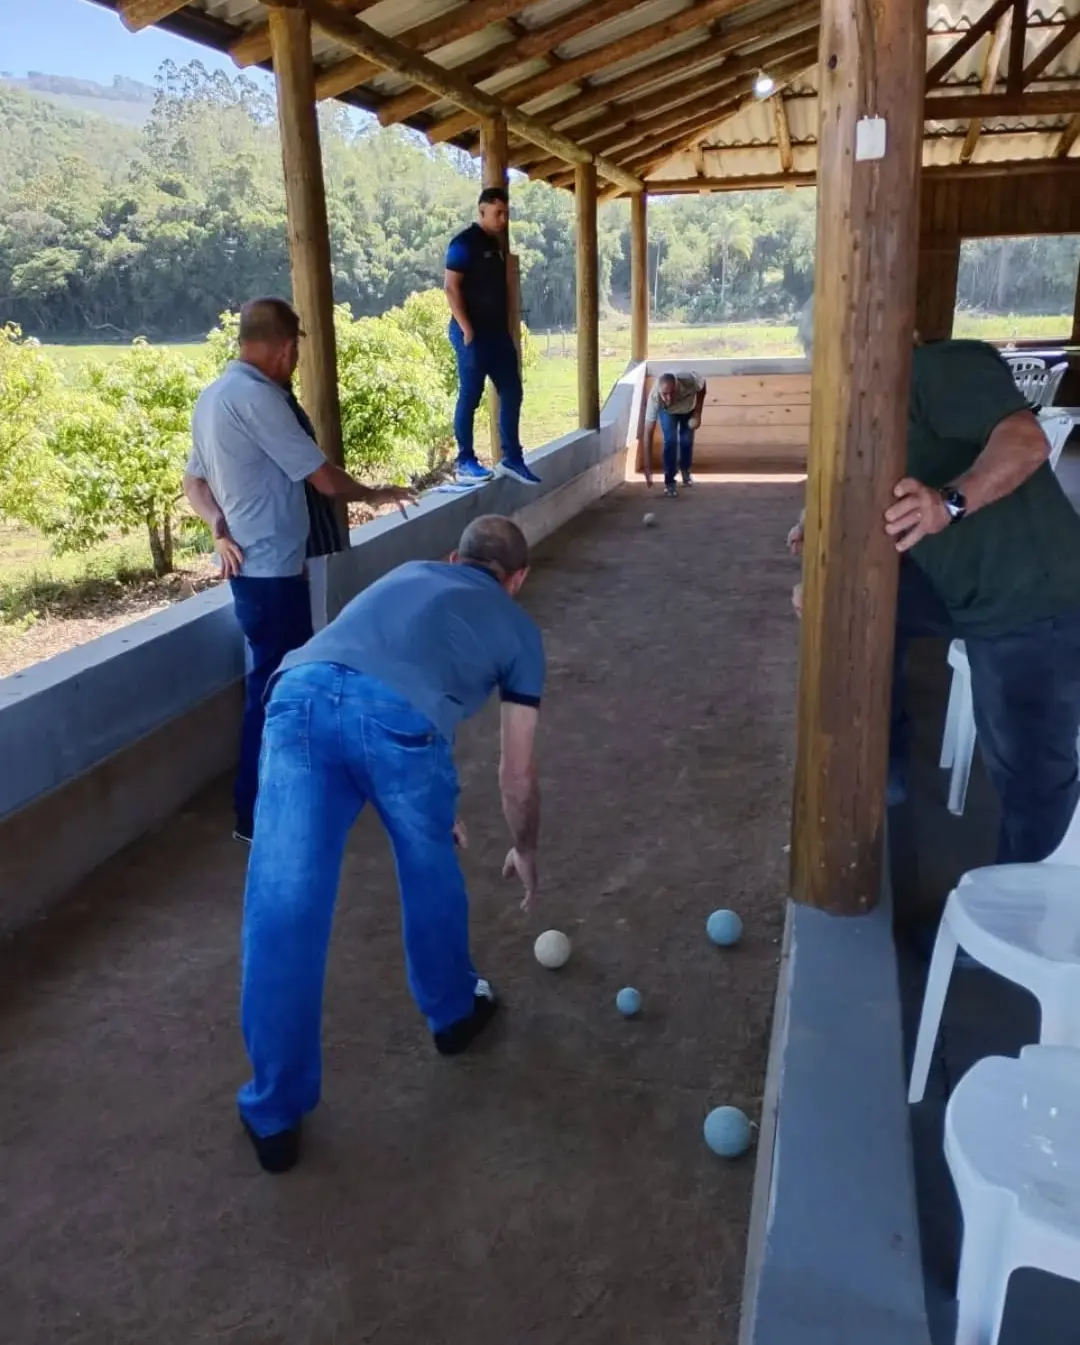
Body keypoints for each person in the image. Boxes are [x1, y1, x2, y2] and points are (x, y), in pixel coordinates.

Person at [236, 515, 545, 1173]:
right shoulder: (519, 629)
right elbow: (515, 771)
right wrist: (526, 846)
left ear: (451, 555)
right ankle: (454, 1014)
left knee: (282, 906)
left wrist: (437, 797)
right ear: (516, 579)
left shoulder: (405, 574)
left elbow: (368, 673)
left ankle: (274, 1112)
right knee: (429, 867)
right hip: (401, 727)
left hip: (298, 694)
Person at [789, 298, 1080, 864]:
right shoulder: (873, 413)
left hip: (1034, 601)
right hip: (967, 592)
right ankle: (884, 773)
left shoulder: (940, 368)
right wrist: (821, 557)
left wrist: (947, 504)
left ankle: (1022, 926)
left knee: (1029, 777)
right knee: (864, 610)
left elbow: (1026, 442)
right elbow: (856, 490)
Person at [183, 297, 413, 844]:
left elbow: (194, 483)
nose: (293, 362)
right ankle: (258, 814)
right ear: (285, 348)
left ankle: (277, 803)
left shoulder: (213, 396)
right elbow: (322, 478)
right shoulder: (259, 398)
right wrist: (377, 493)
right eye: (295, 351)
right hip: (269, 575)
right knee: (278, 691)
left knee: (279, 683)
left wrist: (217, 524)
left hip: (263, 570)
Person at [444, 186, 541, 488]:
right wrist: (467, 329)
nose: (503, 219)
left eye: (506, 214)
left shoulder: (496, 244)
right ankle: (465, 461)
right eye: (498, 213)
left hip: (498, 334)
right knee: (470, 396)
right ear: (482, 210)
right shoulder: (463, 243)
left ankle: (512, 457)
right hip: (472, 336)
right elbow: (451, 287)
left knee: (513, 391)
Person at [643, 371, 707, 497]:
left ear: (677, 387)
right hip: (668, 412)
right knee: (670, 441)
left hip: (688, 409)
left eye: (672, 393)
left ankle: (685, 471)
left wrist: (698, 412)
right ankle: (670, 482)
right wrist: (647, 467)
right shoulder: (655, 398)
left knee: (686, 440)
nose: (669, 398)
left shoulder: (688, 380)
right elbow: (648, 432)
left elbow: (702, 386)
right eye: (665, 394)